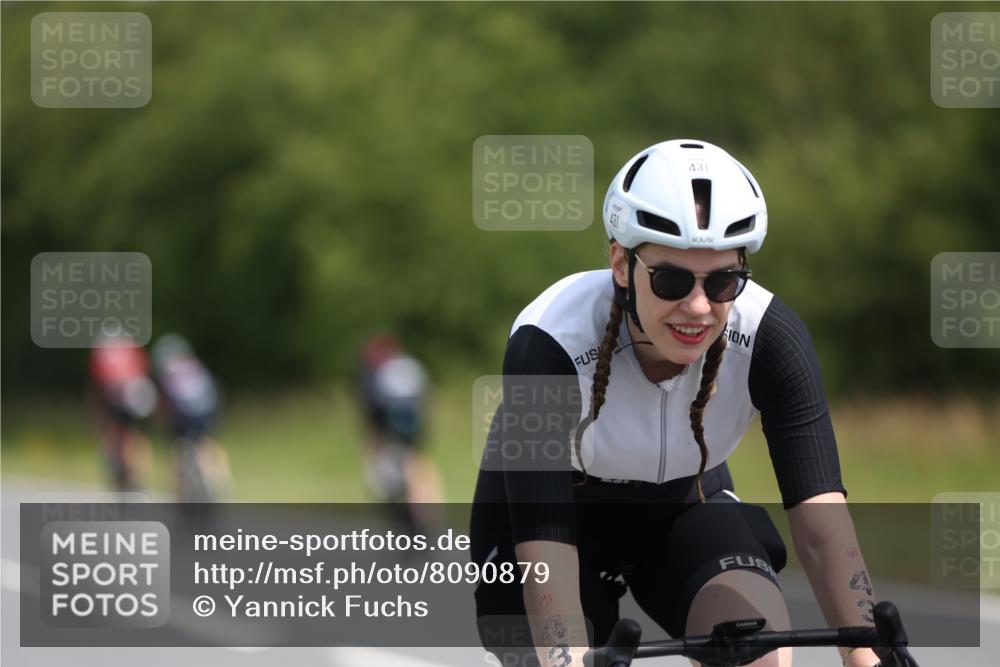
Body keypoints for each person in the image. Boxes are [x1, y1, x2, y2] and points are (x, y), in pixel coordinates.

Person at [470, 140, 880, 667]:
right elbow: (546, 559)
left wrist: (869, 655)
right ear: (621, 263)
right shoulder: (550, 344)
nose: (698, 306)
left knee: (761, 653)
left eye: (723, 280)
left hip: (683, 509)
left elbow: (825, 533)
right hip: (550, 526)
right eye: (671, 279)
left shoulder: (772, 339)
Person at [359, 333, 444, 529]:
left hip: (392, 434)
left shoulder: (380, 373)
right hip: (414, 432)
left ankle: (409, 523)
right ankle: (426, 519)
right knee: (415, 472)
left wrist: (374, 442)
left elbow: (374, 410)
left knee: (392, 479)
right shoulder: (410, 367)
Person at [151, 333, 230, 501]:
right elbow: (212, 389)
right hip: (208, 408)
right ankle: (219, 479)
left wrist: (163, 425)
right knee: (206, 443)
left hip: (183, 412)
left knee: (177, 449)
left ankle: (180, 494)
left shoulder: (167, 370)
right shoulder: (195, 365)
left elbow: (166, 403)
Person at [88, 336, 158, 491]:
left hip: (119, 396)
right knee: (135, 435)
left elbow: (98, 385)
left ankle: (121, 471)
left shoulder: (101, 354)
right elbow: (145, 370)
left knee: (113, 432)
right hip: (141, 393)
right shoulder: (133, 348)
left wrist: (96, 412)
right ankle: (140, 474)